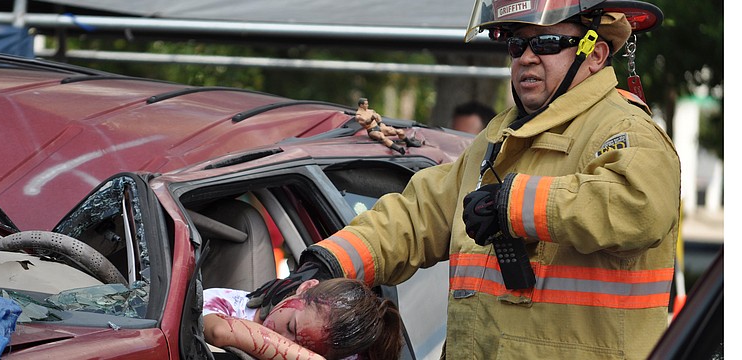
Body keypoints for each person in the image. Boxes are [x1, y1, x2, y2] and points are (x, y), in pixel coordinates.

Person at [248, 0, 680, 358]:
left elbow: (639, 206)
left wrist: (511, 205)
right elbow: (418, 216)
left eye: (547, 42)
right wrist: (329, 260)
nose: (527, 57)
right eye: (516, 45)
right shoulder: (499, 138)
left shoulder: (625, 131)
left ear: (596, 55)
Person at [203, 278, 403, 360]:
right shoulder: (228, 304)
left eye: (305, 348)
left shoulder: (341, 349)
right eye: (291, 326)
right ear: (305, 287)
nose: (285, 343)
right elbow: (218, 331)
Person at [355, 97, 422, 155]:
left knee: (399, 131)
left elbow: (377, 116)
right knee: (381, 136)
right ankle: (397, 149)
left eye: (367, 103)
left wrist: (380, 123)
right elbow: (365, 123)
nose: (367, 105)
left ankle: (408, 142)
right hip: (371, 130)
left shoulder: (370, 111)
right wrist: (371, 118)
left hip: (378, 127)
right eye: (366, 104)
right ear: (361, 105)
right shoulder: (359, 115)